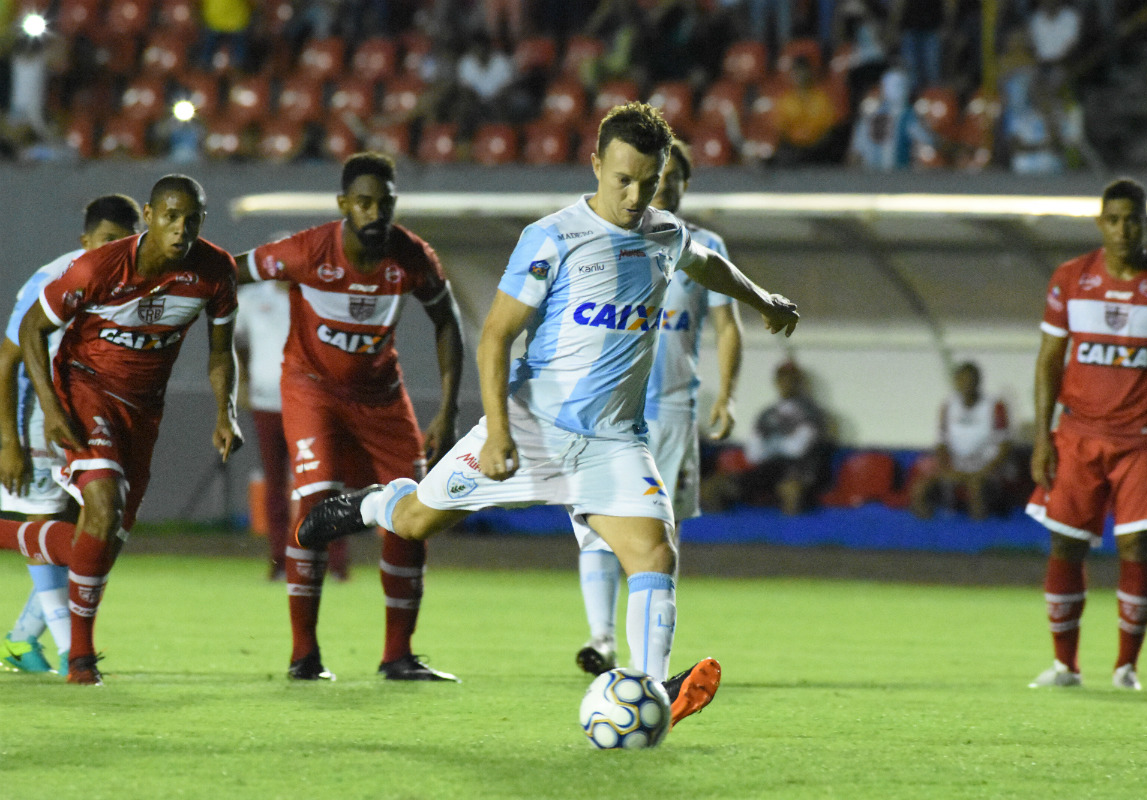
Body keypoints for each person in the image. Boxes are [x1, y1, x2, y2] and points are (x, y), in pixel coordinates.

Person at [296, 102, 800, 730]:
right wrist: (500, 431)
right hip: (533, 429)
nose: (635, 195)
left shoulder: (665, 234)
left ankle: (650, 694)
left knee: (654, 553)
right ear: (595, 165)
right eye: (623, 179)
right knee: (418, 520)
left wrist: (764, 299)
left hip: (614, 443)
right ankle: (370, 504)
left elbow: (707, 265)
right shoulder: (553, 237)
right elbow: (496, 337)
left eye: (648, 182)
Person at [0, 174, 241, 685]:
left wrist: (226, 411)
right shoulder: (97, 267)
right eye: (170, 218)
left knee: (103, 539)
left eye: (190, 220)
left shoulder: (215, 270)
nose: (180, 230)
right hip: (84, 390)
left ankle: (8, 544)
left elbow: (221, 351)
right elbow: (29, 331)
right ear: (150, 217)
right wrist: (49, 408)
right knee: (102, 508)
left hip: (143, 410)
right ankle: (80, 660)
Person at [234, 152, 465, 683]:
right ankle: (303, 656)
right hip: (312, 389)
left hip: (382, 396)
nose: (375, 212)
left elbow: (446, 322)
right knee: (312, 505)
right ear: (343, 206)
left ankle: (398, 656)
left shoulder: (411, 256)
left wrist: (448, 411)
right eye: (364, 202)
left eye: (384, 202)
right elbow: (232, 272)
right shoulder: (308, 250)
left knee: (415, 511)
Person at [573, 138, 743, 676]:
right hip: (606, 409)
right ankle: (601, 641)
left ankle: (650, 660)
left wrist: (727, 393)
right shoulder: (603, 233)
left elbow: (725, 325)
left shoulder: (705, 245)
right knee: (599, 525)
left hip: (670, 411)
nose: (663, 187)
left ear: (684, 184)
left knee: (659, 535)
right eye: (655, 176)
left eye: (673, 178)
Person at [1026, 178, 1147, 691]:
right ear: (1101, 222)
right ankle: (1065, 667)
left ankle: (1126, 668)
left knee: (1136, 550)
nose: (1124, 228)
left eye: (1133, 219)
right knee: (1065, 545)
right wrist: (1042, 436)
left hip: (1145, 440)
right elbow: (1049, 362)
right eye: (1115, 219)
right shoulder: (1070, 280)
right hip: (1078, 435)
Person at [0, 194, 141, 675]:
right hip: (36, 412)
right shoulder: (54, 278)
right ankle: (68, 649)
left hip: (86, 411)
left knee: (96, 530)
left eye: (126, 241)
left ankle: (21, 639)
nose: (116, 250)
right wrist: (9, 442)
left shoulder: (134, 282)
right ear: (85, 241)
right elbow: (7, 360)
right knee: (50, 518)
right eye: (107, 241)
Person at [702, 359, 833, 515]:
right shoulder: (766, 415)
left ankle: (792, 535)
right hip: (766, 471)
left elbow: (797, 449)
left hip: (801, 473)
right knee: (711, 488)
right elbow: (754, 454)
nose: (787, 383)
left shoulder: (811, 412)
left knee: (791, 492)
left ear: (800, 382)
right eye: (782, 378)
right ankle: (723, 534)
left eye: (792, 379)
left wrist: (770, 445)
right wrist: (779, 445)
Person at [233, 277, 295, 582]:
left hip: (307, 401)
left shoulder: (313, 296)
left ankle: (329, 562)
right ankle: (280, 562)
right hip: (266, 400)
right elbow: (236, 340)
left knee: (319, 482)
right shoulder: (252, 297)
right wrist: (243, 380)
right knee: (275, 483)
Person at [909, 361, 1013, 521]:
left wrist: (984, 471)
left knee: (976, 489)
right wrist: (946, 468)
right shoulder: (948, 406)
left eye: (971, 380)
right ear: (956, 382)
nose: (967, 384)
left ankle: (978, 531)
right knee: (921, 489)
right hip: (957, 466)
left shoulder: (994, 406)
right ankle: (927, 535)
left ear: (979, 381)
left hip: (986, 468)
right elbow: (941, 443)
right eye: (962, 380)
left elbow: (1004, 446)